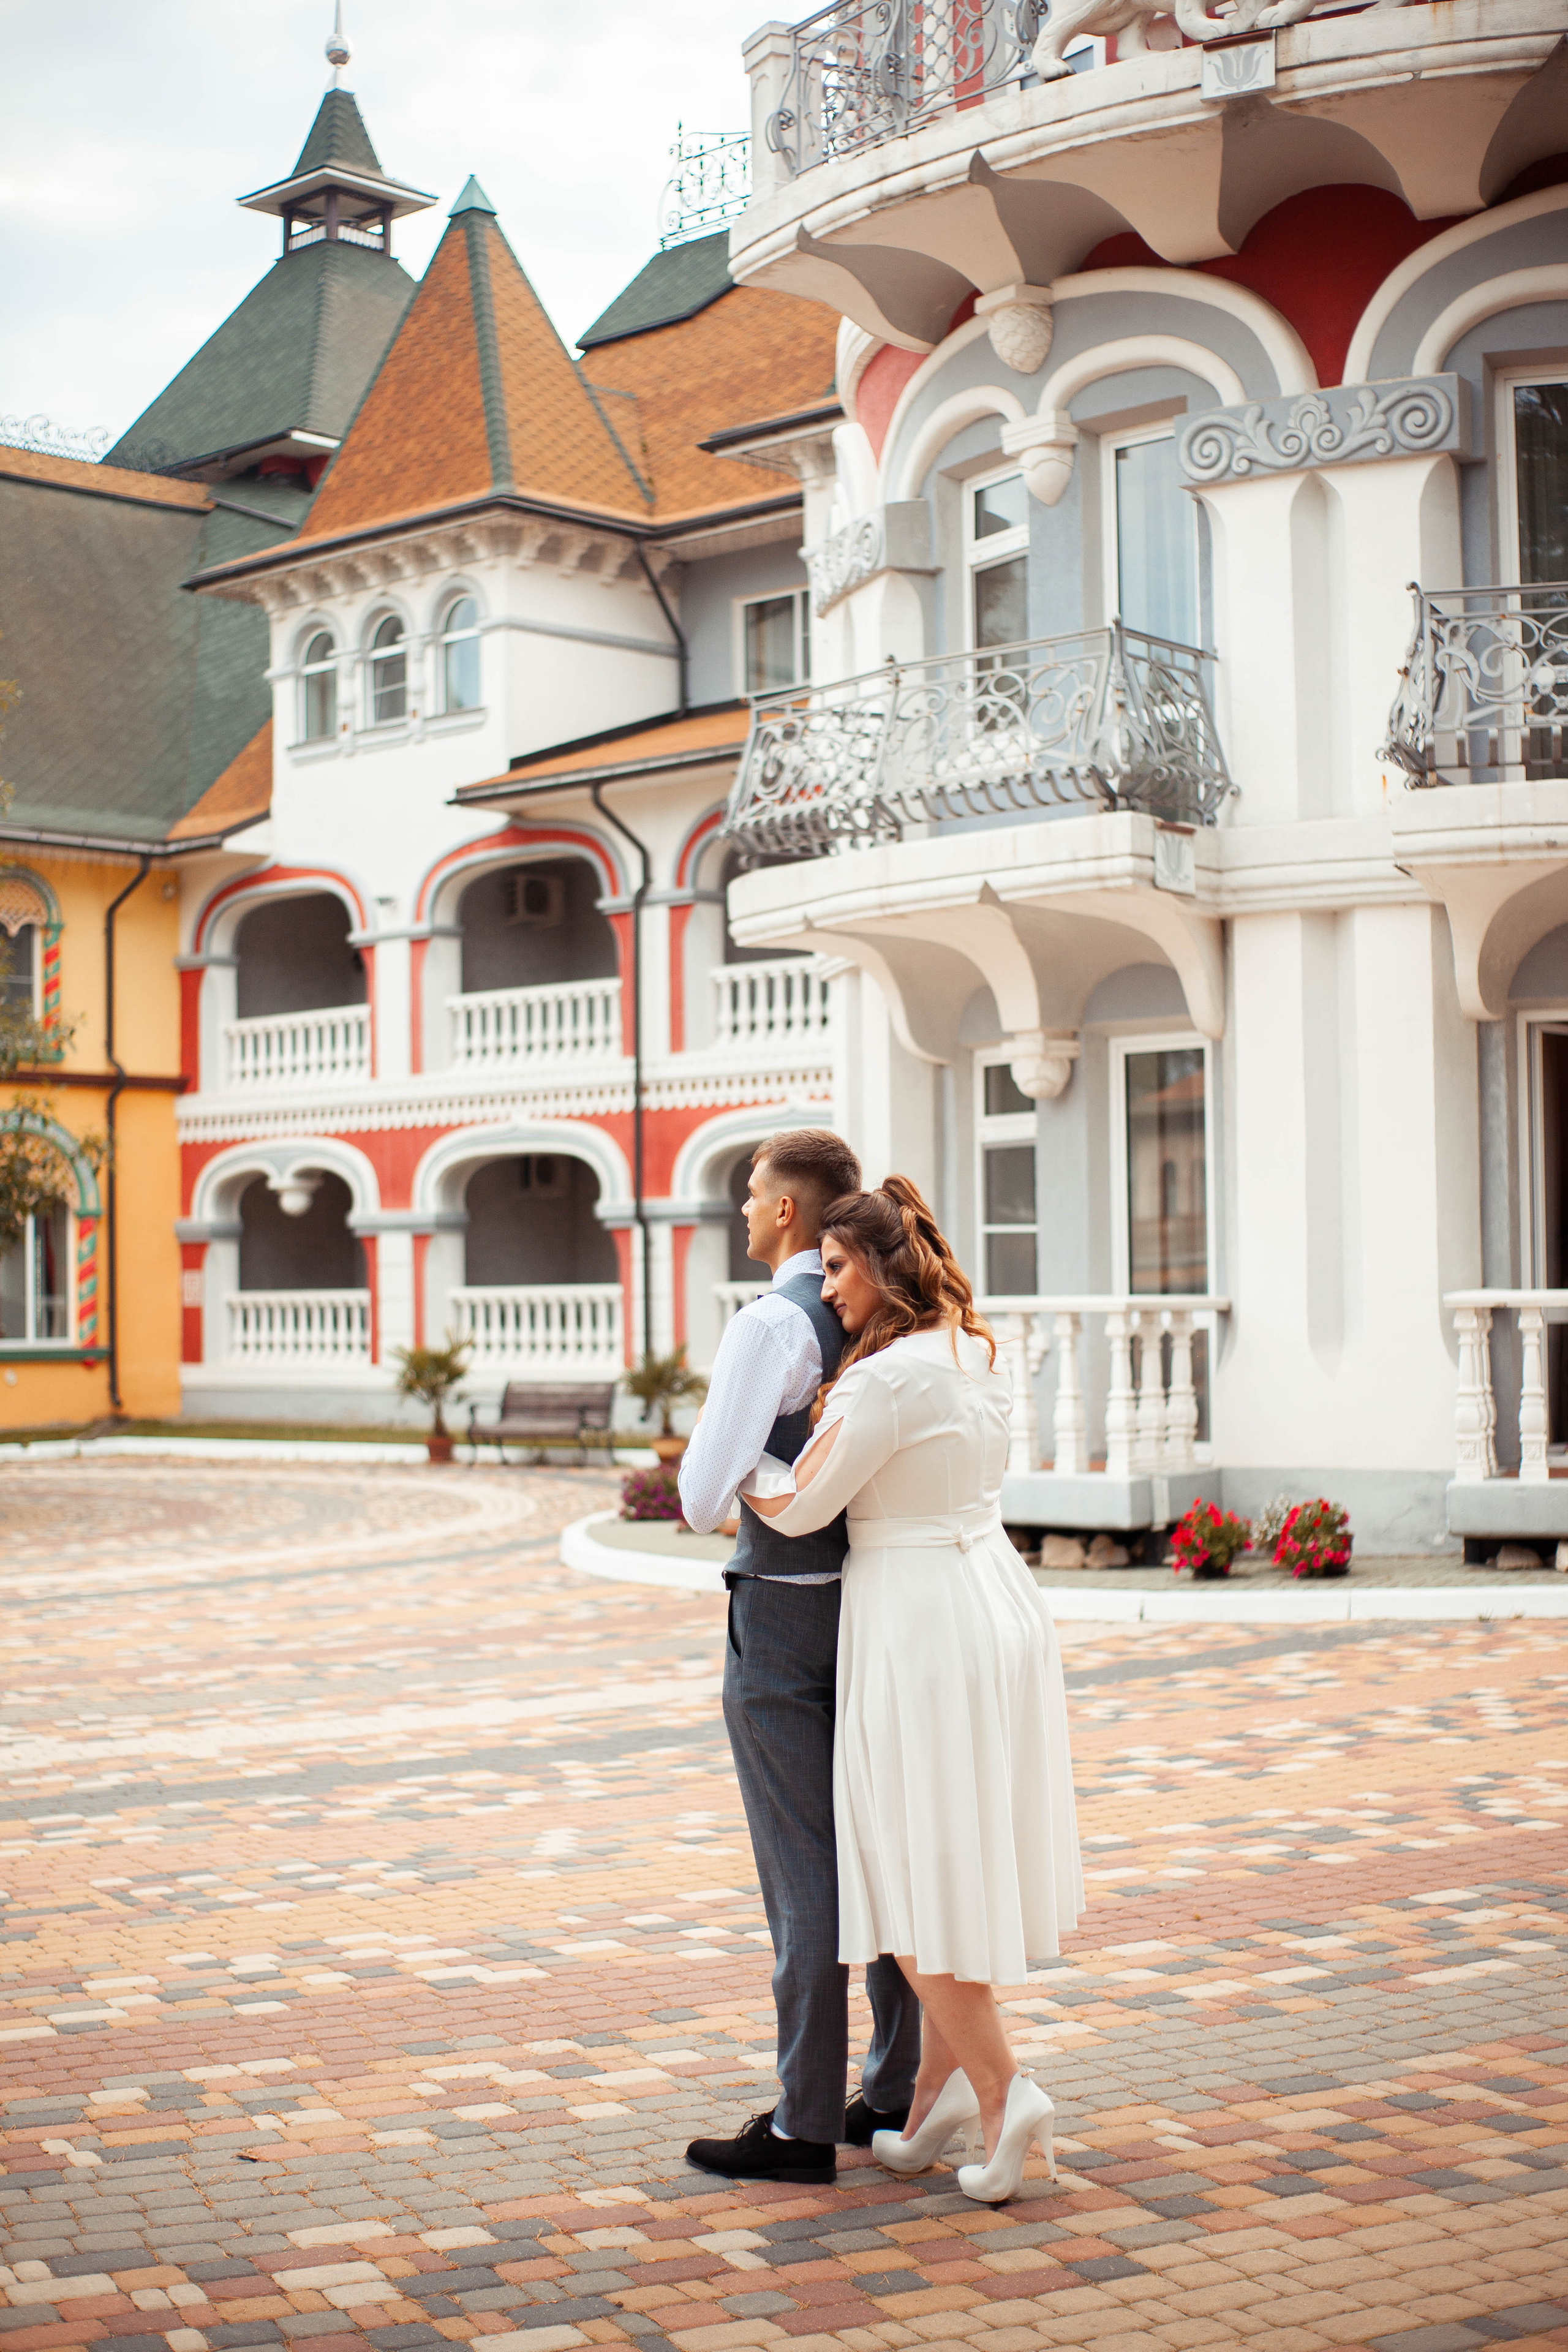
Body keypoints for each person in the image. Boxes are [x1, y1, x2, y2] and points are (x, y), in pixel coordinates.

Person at [741, 1176, 1083, 2204]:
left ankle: (1006, 2088)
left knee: (901, 1875)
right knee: (949, 1854)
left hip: (918, 1626)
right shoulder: (973, 1352)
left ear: (884, 1269)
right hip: (992, 1604)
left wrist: (744, 1465)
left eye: (840, 1267)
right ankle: (936, 2097)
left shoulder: (884, 1383)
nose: (827, 1287)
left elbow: (801, 1508)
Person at [677, 1131, 922, 2187]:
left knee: (803, 1874)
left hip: (779, 1616)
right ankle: (896, 2088)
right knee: (880, 1852)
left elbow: (696, 1498)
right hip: (873, 1611)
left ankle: (803, 2122)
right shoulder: (894, 1316)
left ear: (788, 1213)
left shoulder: (773, 1322)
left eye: (749, 1195)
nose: (741, 1210)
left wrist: (759, 1466)